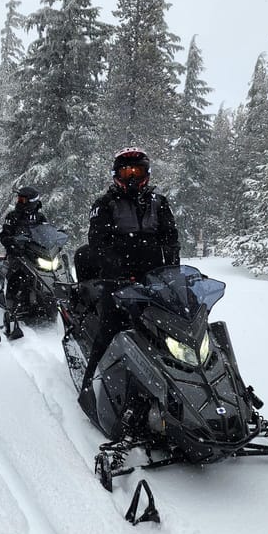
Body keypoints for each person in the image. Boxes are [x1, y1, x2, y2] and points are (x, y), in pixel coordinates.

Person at [73, 147, 180, 415]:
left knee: (174, 330)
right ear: (116, 175)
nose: (132, 177)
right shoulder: (105, 204)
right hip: (120, 279)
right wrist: (117, 270)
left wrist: (173, 271)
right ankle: (89, 386)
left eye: (137, 171)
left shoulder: (159, 202)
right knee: (111, 326)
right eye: (126, 172)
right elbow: (98, 242)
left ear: (146, 173)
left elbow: (171, 238)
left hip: (156, 279)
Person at [0, 186, 47, 312]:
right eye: (19, 199)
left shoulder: (40, 218)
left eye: (23, 200)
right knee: (16, 273)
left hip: (35, 253)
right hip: (17, 253)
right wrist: (11, 243)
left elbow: (46, 233)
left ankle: (51, 299)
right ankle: (11, 302)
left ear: (31, 201)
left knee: (50, 273)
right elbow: (4, 234)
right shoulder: (13, 216)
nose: (20, 201)